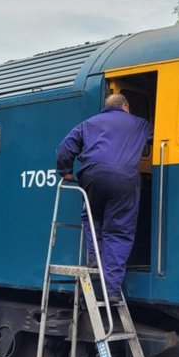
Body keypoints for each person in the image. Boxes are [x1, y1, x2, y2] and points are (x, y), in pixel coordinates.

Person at [56, 93, 153, 300]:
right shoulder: (140, 124)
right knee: (119, 231)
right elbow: (162, 137)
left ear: (106, 107)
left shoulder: (88, 123)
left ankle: (94, 257)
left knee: (92, 217)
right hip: (125, 179)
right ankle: (110, 290)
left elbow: (65, 147)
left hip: (92, 175)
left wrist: (65, 171)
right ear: (125, 106)